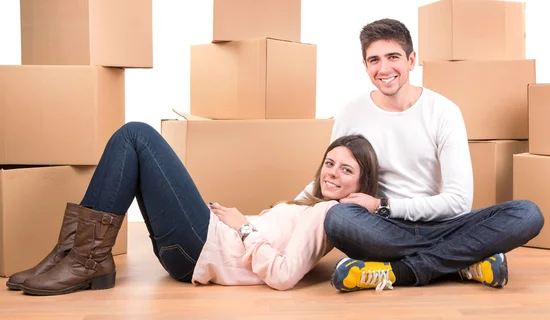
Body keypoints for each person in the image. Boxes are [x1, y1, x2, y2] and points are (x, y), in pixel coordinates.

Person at [296, 18, 545, 292]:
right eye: (374, 60)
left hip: (444, 224)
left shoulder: (444, 111)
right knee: (338, 220)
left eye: (393, 57)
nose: (384, 68)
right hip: (383, 230)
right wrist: (279, 214)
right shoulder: (351, 112)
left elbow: (459, 202)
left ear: (411, 60)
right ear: (366, 66)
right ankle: (462, 262)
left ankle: (400, 271)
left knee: (526, 213)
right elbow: (330, 177)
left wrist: (382, 204)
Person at [6, 122, 380, 295]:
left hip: (202, 248)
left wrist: (242, 226)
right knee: (132, 146)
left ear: (361, 184)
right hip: (205, 242)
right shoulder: (313, 199)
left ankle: (86, 260)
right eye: (329, 163)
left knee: (136, 136)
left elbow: (283, 275)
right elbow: (318, 186)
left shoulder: (327, 216)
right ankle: (72, 253)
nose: (332, 173)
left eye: (346, 170)